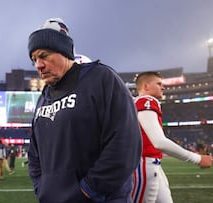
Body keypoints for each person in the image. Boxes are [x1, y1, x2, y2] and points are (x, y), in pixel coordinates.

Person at [27, 18, 142, 203]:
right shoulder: (44, 96)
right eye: (34, 60)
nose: (38, 65)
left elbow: (125, 142)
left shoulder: (101, 79)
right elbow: (34, 152)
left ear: (64, 51)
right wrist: (42, 187)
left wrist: (87, 191)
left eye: (44, 56)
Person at [131, 71, 213, 203]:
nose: (163, 87)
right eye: (158, 84)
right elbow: (159, 142)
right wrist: (197, 158)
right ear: (146, 86)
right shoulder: (146, 100)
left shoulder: (139, 102)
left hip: (152, 164)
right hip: (144, 164)